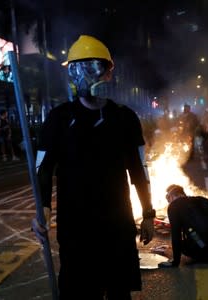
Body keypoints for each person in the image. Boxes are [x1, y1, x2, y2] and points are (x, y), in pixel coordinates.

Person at [36, 35, 155, 300]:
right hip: (75, 226)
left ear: (108, 73)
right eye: (79, 68)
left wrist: (148, 212)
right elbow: (43, 168)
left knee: (118, 292)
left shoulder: (124, 118)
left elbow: (139, 169)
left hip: (117, 224)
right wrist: (42, 208)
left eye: (94, 68)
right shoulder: (59, 119)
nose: (86, 75)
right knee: (79, 292)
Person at [158, 184, 208, 268]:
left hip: (203, 250)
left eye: (169, 200)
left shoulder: (174, 206)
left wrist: (175, 262)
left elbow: (176, 236)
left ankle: (203, 249)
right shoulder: (203, 200)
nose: (169, 203)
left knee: (186, 237)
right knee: (191, 230)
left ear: (171, 197)